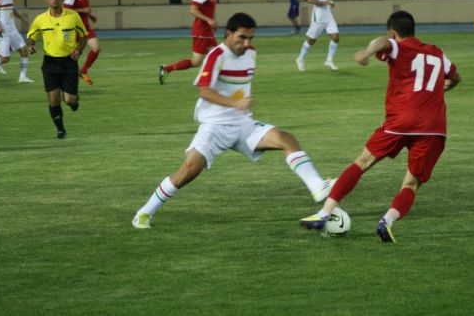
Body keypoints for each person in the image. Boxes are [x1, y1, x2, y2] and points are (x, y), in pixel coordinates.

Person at [132, 13, 335, 229]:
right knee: (187, 172)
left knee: (287, 139)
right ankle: (144, 212)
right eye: (242, 37)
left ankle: (317, 186)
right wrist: (233, 102)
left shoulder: (251, 53)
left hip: (243, 124)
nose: (247, 43)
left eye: (251, 38)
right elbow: (204, 91)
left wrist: (240, 104)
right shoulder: (216, 56)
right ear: (229, 34)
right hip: (214, 126)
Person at [300, 10, 461, 243]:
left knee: (362, 162)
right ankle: (387, 221)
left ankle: (324, 213)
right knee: (412, 183)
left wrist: (366, 51)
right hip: (434, 128)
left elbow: (383, 43)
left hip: (401, 121)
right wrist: (442, 87)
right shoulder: (437, 52)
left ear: (393, 32)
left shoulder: (398, 47)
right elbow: (456, 77)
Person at [27, 0, 87, 139]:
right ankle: (60, 129)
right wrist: (31, 44)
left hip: (69, 63)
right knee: (53, 99)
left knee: (69, 99)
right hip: (50, 63)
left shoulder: (73, 16)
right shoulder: (41, 19)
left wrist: (79, 50)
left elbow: (83, 36)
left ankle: (75, 102)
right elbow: (31, 35)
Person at [159, 0, 218, 84]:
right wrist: (208, 20)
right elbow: (193, 10)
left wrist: (213, 21)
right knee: (196, 62)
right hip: (201, 31)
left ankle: (211, 79)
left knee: (217, 55)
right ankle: (166, 69)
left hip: (207, 32)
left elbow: (209, 11)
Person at [295, 0, 339, 71]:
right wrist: (323, 3)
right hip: (318, 17)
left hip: (328, 15)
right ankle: (300, 59)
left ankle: (329, 60)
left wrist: (330, 3)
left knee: (336, 36)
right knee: (311, 40)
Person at [63, 0, 101, 86]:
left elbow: (85, 9)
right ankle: (67, 80)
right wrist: (84, 10)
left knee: (97, 48)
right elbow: (65, 10)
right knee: (73, 56)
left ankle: (83, 70)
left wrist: (90, 16)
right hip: (74, 30)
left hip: (86, 28)